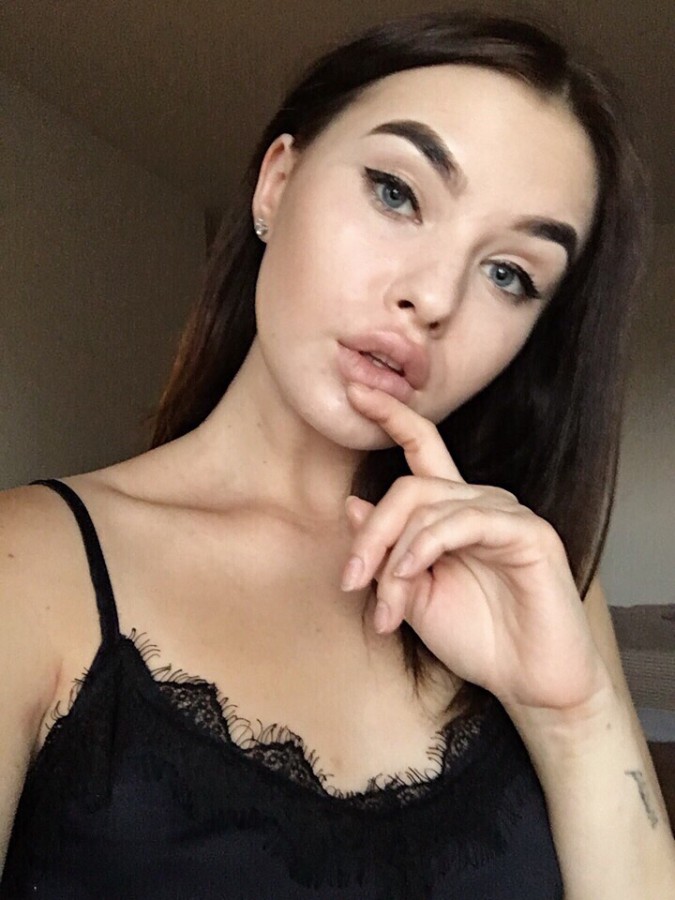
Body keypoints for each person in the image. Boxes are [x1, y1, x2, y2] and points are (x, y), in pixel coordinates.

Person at [1, 11, 673, 899]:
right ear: (275, 184)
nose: (433, 297)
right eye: (396, 193)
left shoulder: (530, 579)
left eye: (509, 274)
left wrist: (574, 721)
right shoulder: (26, 565)